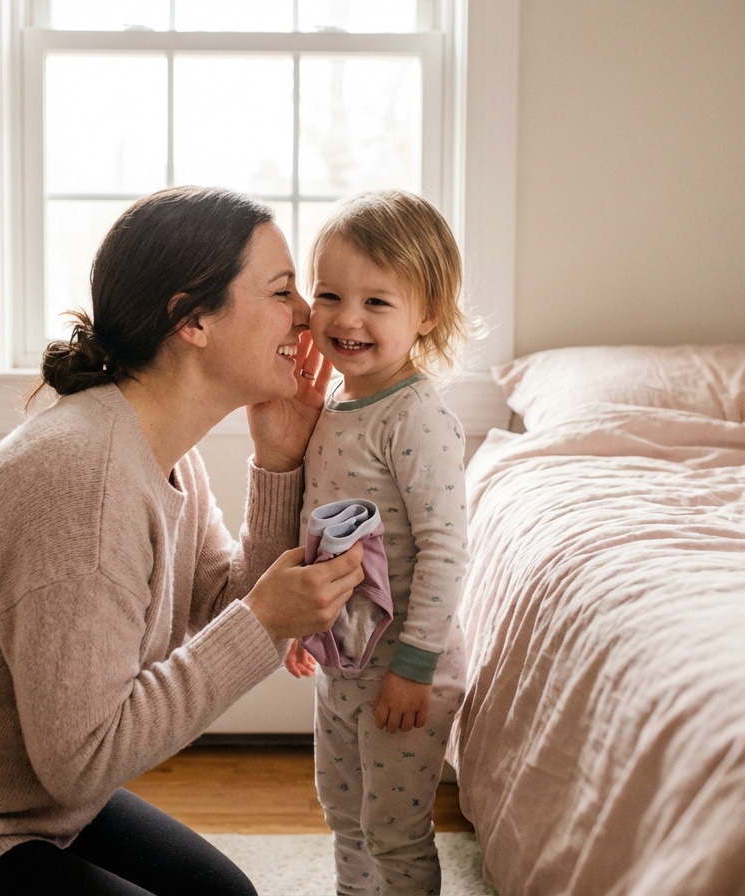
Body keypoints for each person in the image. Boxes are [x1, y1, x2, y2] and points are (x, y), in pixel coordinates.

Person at [0, 186, 366, 896]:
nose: (305, 314)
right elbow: (83, 758)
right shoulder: (84, 477)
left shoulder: (162, 450)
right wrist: (265, 620)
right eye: (281, 290)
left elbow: (222, 602)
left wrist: (278, 463)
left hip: (16, 797)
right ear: (192, 319)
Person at [285, 190, 473, 896]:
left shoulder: (417, 417)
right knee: (344, 813)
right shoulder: (332, 408)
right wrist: (300, 626)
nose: (348, 318)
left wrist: (415, 667)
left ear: (427, 314)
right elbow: (321, 532)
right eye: (330, 295)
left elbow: (445, 550)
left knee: (394, 830)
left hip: (404, 669)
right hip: (344, 661)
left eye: (378, 302)